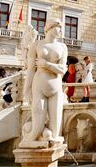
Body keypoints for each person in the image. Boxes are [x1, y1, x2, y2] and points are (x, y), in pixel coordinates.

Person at [20, 18, 68, 146]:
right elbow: (30, 70)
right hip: (39, 86)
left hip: (56, 88)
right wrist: (26, 90)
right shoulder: (36, 45)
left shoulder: (62, 47)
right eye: (59, 27)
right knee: (37, 124)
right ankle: (32, 139)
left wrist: (46, 64)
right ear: (50, 27)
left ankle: (47, 141)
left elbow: (63, 70)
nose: (61, 31)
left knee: (55, 133)